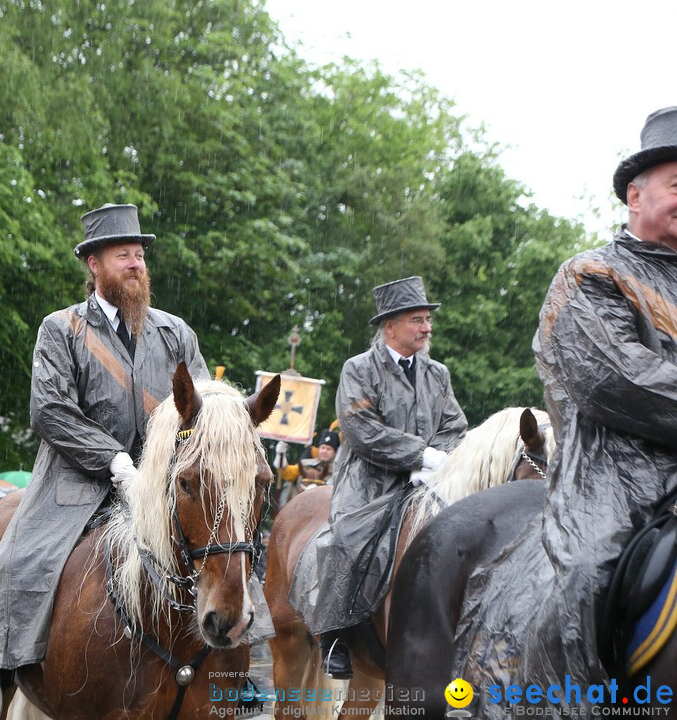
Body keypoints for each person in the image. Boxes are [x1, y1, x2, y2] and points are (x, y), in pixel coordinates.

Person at [0, 203, 218, 720]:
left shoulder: (175, 333)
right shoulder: (60, 329)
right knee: (17, 560)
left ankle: (231, 668)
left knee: (226, 546)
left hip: (163, 484)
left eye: (140, 256)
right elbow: (50, 410)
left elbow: (202, 405)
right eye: (124, 256)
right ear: (93, 265)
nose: (137, 265)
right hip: (75, 483)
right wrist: (115, 461)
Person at [451, 106, 677, 711]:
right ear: (636, 194)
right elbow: (619, 380)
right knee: (586, 575)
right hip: (614, 481)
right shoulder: (590, 276)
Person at [289, 276, 467, 679]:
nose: (427, 328)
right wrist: (419, 455)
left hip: (429, 482)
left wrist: (437, 460)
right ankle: (334, 634)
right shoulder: (359, 369)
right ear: (390, 327)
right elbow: (361, 429)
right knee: (345, 539)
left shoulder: (438, 373)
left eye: (427, 320)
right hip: (368, 485)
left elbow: (455, 424)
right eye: (417, 320)